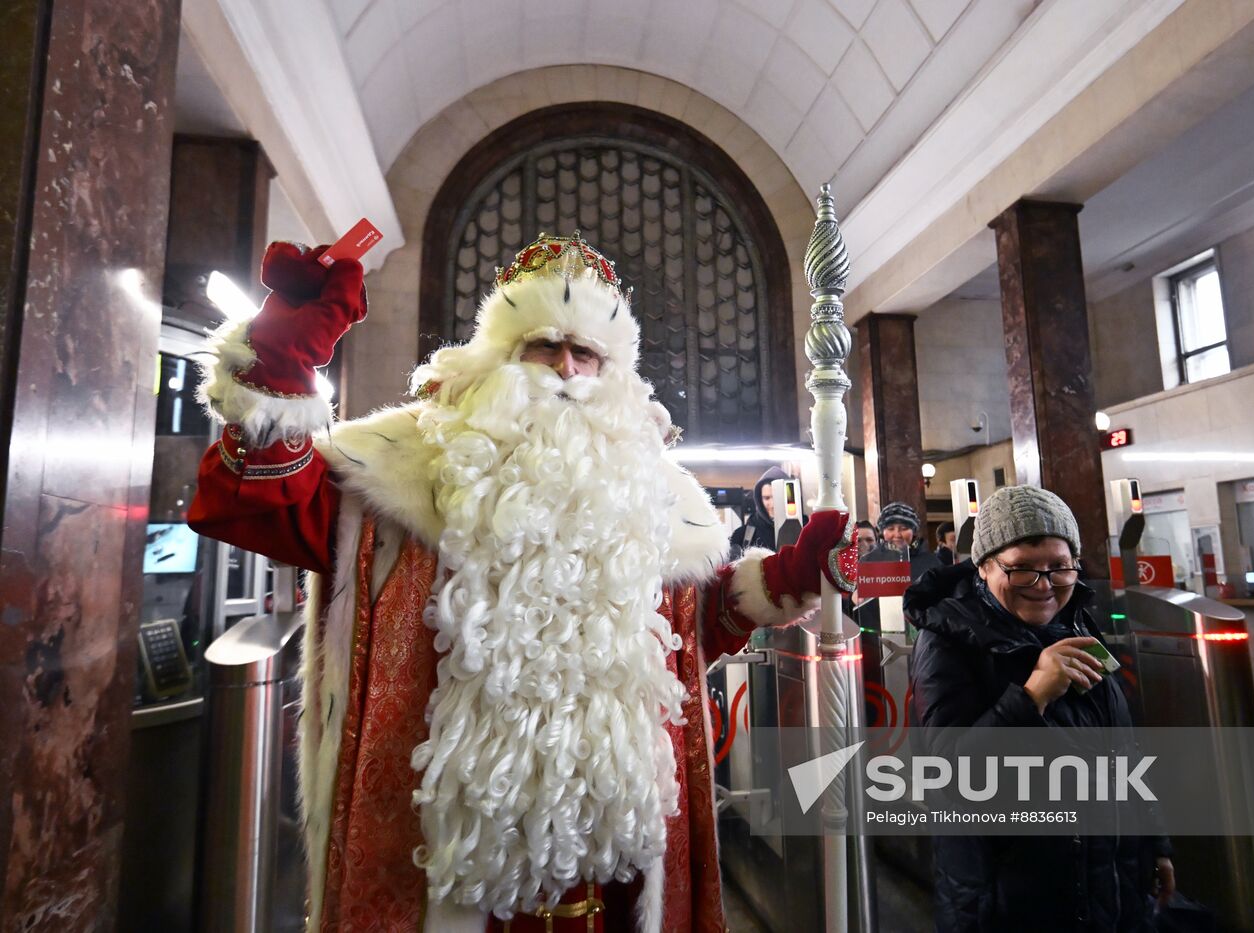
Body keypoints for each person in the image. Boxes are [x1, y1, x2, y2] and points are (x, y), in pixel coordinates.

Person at [188, 234, 855, 931]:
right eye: (544, 345)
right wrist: (280, 356)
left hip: (610, 874)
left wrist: (785, 576)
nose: (566, 369)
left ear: (612, 372)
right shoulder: (405, 471)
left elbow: (681, 634)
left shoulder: (647, 496)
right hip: (439, 870)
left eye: (587, 353)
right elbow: (253, 502)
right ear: (500, 357)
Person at [907, 485, 1174, 932]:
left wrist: (1154, 842)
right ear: (984, 566)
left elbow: (1122, 747)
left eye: (1059, 567)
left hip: (1108, 879)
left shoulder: (1076, 621)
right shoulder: (948, 640)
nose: (1044, 585)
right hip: (1011, 897)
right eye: (1022, 570)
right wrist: (1031, 696)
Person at [728, 466, 789, 558]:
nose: (772, 504)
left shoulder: (805, 529)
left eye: (777, 496)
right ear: (759, 500)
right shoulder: (742, 536)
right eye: (767, 498)